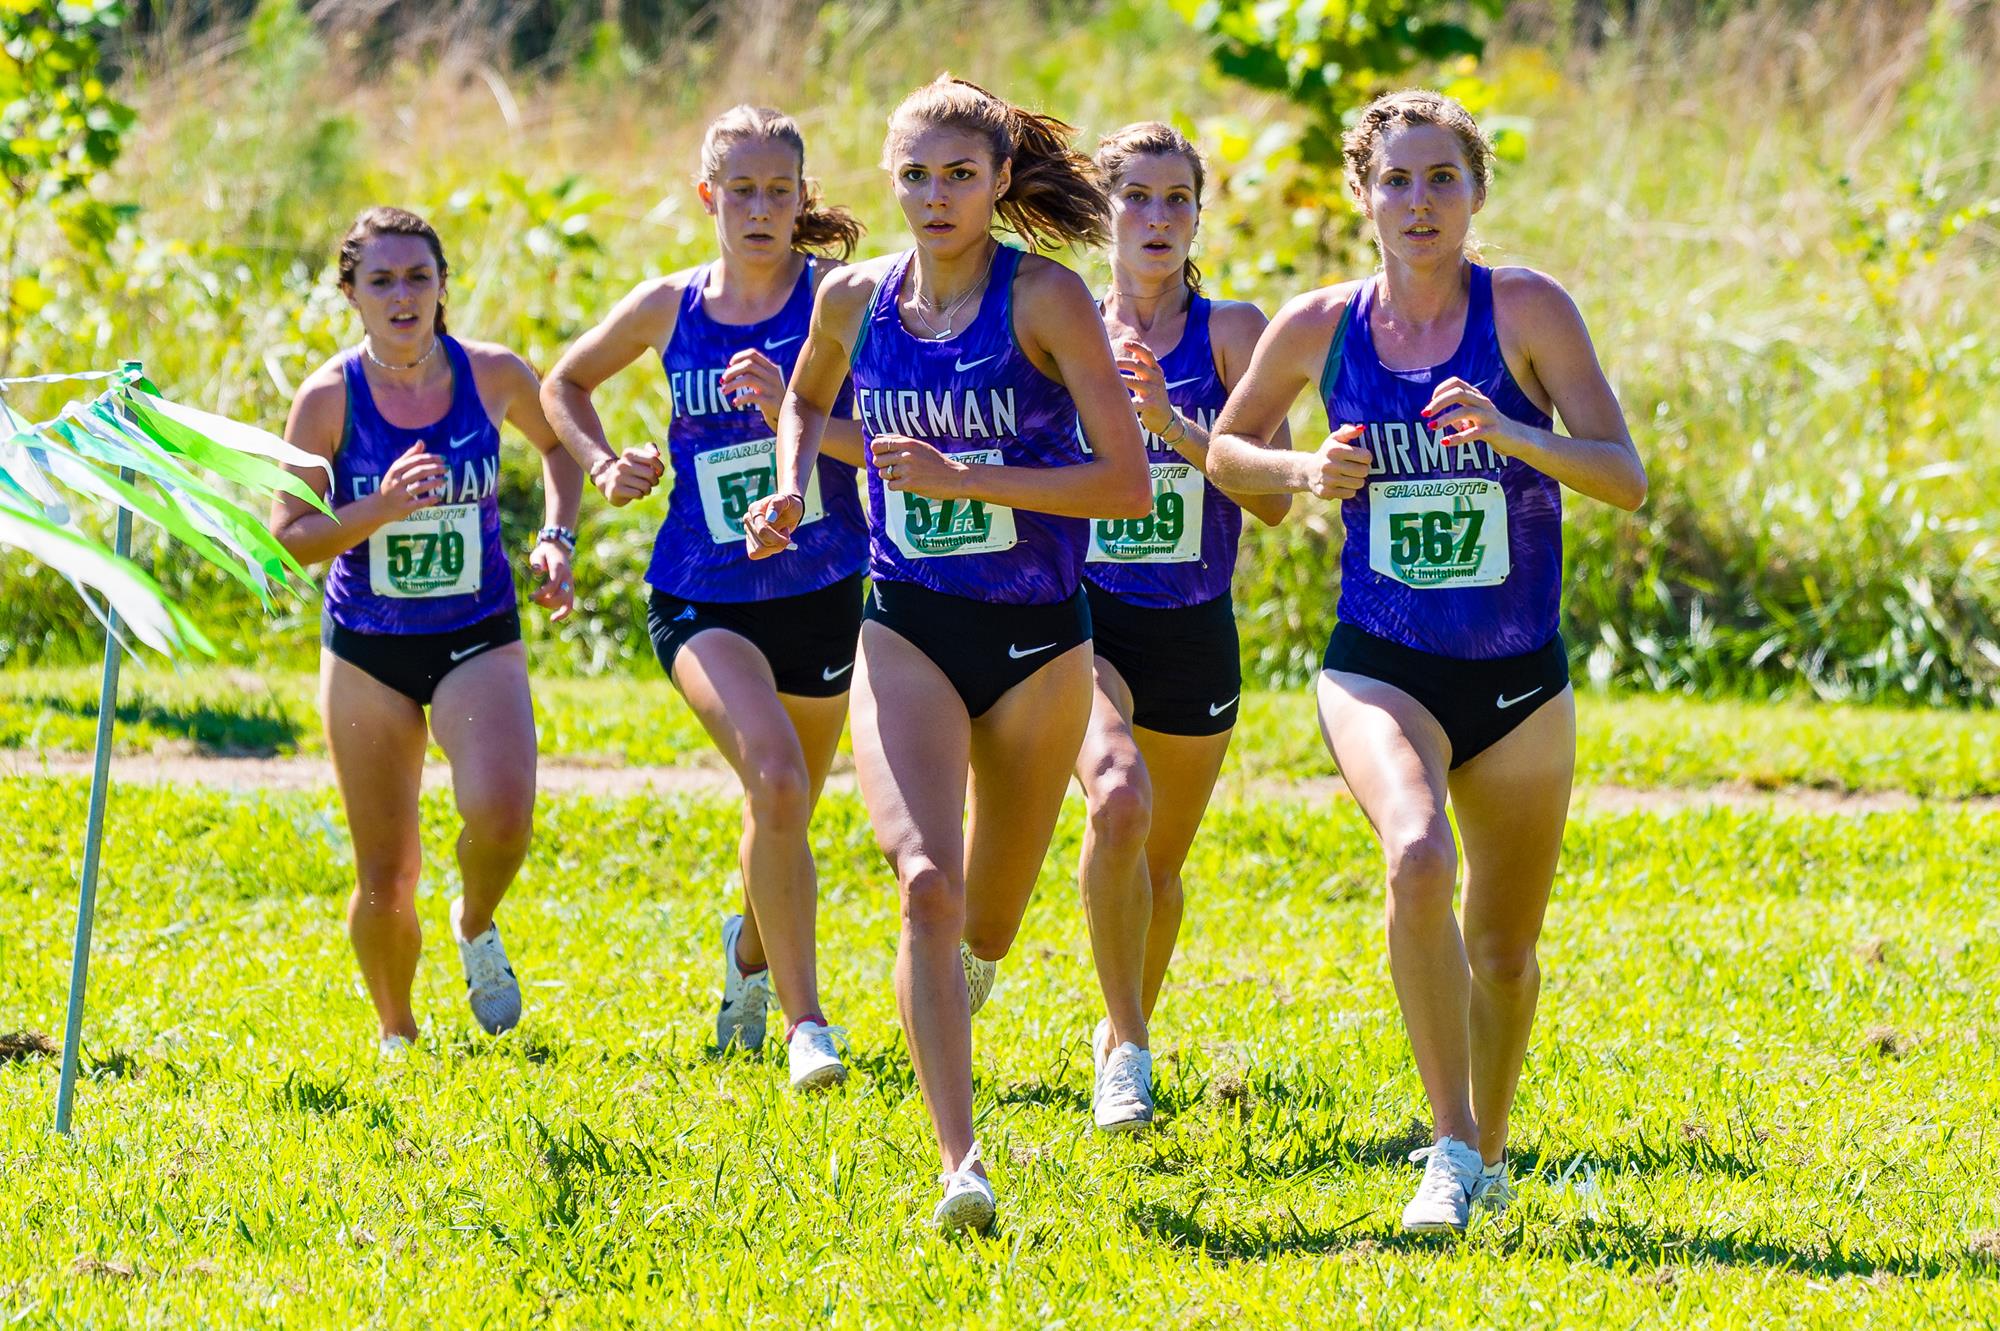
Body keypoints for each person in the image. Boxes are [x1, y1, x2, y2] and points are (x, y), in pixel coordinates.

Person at [1206, 90, 1645, 1233]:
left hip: (1515, 674)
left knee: (1502, 950)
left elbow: (1621, 473)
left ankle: (1487, 1153)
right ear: (1360, 195)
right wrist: (1304, 476)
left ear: (1474, 193)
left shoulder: (1528, 311)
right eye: (1393, 181)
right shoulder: (1320, 322)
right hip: (1379, 661)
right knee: (1413, 853)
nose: (1416, 202)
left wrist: (1513, 434)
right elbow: (1225, 452)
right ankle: (1446, 1144)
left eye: (1438, 179)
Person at [743, 75, 1150, 1231]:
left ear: (1000, 182)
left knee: (989, 917)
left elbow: (1122, 487)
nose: (934, 195)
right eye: (914, 174)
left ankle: (964, 983)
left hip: (1036, 636)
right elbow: (803, 404)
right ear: (889, 177)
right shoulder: (852, 298)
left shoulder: (1049, 302)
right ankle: (959, 1162)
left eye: (959, 174)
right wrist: (788, 485)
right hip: (906, 620)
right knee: (925, 880)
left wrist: (971, 477)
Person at [540, 106, 867, 1091]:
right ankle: (807, 1023)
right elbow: (564, 383)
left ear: (801, 199)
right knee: (773, 779)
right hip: (698, 590)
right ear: (706, 197)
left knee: (785, 807)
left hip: (822, 582)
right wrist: (602, 464)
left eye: (779, 191)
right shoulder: (665, 306)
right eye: (741, 191)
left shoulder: (840, 302)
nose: (759, 209)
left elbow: (878, 441)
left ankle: (748, 961)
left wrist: (793, 413)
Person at [272, 205, 583, 1056]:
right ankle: (398, 1032)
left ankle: (475, 918)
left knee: (503, 814)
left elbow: (559, 448)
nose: (403, 295)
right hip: (368, 646)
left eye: (418, 276)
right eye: (381, 280)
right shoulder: (329, 399)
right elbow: (291, 537)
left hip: (476, 629)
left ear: (445, 286)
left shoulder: (493, 374)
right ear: (351, 294)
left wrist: (555, 534)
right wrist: (377, 507)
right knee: (385, 875)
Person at [1072, 122, 1291, 1133]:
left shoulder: (1233, 332)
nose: (1156, 220)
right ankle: (1128, 1048)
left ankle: (1120, 1035)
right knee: (1113, 800)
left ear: (1198, 213)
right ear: (1103, 211)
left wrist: (1173, 428)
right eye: (1135, 198)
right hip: (1077, 613)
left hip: (1193, 619)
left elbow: (1278, 498)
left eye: (1175, 200)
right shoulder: (1059, 319)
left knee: (1158, 867)